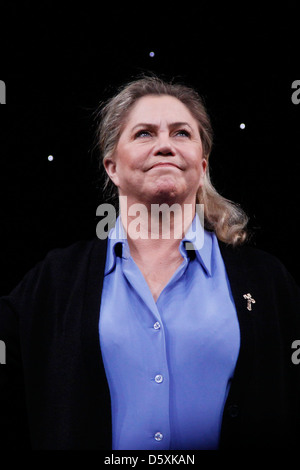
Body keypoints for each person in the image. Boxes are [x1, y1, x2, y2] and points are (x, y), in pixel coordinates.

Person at [0, 75, 300, 450]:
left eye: (181, 134)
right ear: (112, 167)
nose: (164, 146)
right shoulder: (55, 279)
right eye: (144, 134)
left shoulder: (267, 279)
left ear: (202, 165)